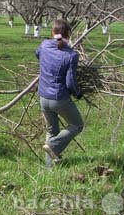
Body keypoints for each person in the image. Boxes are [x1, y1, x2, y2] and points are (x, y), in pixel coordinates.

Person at [35, 19, 84, 167]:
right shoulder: (71, 55)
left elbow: (37, 54)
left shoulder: (44, 45)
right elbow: (70, 82)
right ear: (69, 34)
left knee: (51, 131)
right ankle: (54, 146)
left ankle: (49, 168)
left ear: (53, 33)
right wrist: (78, 93)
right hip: (59, 99)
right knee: (77, 125)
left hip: (43, 97)